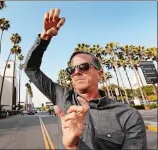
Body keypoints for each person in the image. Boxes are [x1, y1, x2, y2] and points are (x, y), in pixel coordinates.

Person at [24, 8, 148, 150]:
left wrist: (71, 147)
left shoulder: (128, 116)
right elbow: (31, 69)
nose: (76, 72)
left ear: (100, 74)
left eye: (83, 67)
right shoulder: (62, 96)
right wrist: (44, 39)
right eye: (72, 69)